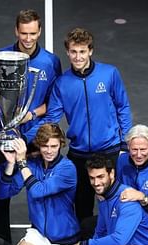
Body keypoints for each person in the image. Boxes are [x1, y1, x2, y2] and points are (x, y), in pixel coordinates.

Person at [0, 9, 62, 244]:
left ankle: (39, 243)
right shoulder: (0, 58)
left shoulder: (51, 62)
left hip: (35, 138)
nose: (28, 38)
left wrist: (29, 115)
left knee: (38, 191)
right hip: (2, 136)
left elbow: (54, 101)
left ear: (39, 31)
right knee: (0, 193)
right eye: (23, 33)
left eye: (32, 33)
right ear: (16, 31)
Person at [46, 27, 132, 224]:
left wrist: (124, 145)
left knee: (114, 203)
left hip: (109, 150)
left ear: (90, 51)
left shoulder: (109, 74)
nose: (78, 57)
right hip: (79, 154)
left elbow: (123, 107)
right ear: (67, 52)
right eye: (74, 52)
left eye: (82, 51)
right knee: (82, 207)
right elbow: (51, 119)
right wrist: (34, 140)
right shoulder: (62, 83)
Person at [0, 124, 80, 245]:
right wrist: (11, 165)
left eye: (54, 146)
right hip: (40, 234)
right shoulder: (32, 165)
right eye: (45, 146)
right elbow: (3, 193)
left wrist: (21, 162)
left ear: (61, 145)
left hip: (65, 241)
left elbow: (38, 191)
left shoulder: (67, 169)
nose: (49, 151)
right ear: (39, 145)